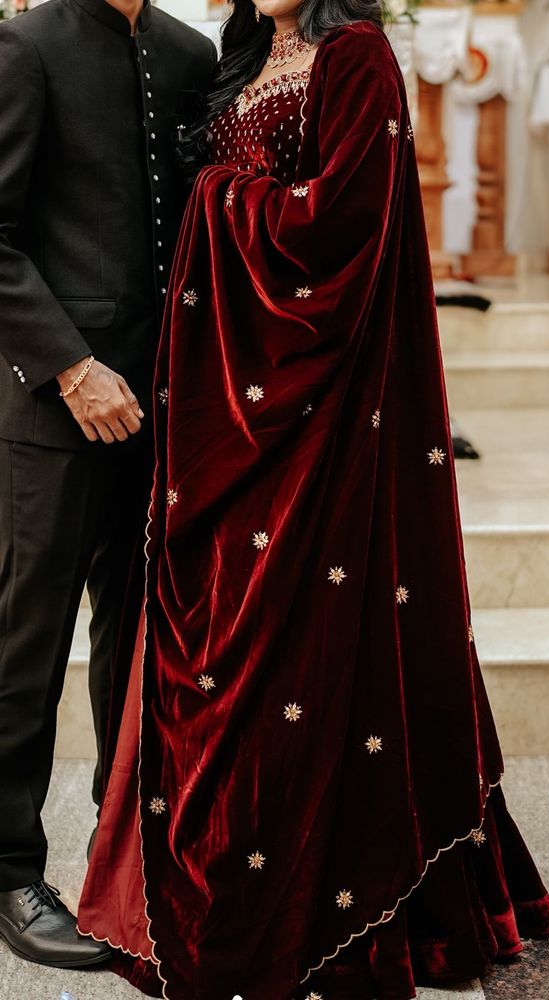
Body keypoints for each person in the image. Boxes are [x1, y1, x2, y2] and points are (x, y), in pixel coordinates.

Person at [77, 2, 549, 998]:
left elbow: (341, 225)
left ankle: (332, 887)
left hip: (319, 409)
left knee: (306, 632)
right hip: (226, 402)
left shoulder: (360, 57)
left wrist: (217, 194)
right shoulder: (240, 52)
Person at [0, 0, 215, 970]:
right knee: (24, 645)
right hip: (54, 413)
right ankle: (8, 872)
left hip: (163, 408)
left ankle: (121, 856)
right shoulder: (27, 43)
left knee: (137, 646)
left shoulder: (188, 51)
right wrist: (70, 368)